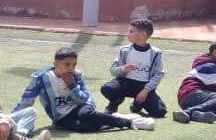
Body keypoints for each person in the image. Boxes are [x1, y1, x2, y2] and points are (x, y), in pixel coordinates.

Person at [14, 46, 154, 132]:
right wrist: (12, 120)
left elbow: (83, 99)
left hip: (82, 106)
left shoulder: (76, 75)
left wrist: (72, 86)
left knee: (86, 114)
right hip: (62, 117)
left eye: (74, 64)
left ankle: (129, 123)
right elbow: (26, 100)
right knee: (86, 127)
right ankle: (113, 117)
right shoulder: (41, 78)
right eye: (67, 64)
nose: (71, 68)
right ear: (55, 63)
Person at [101, 18, 166, 118]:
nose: (128, 34)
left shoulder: (156, 53)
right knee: (107, 88)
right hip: (125, 83)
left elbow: (159, 74)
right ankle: (114, 103)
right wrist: (122, 69)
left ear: (142, 34)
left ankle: (137, 103)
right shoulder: (124, 50)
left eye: (131, 31)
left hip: (143, 86)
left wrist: (146, 91)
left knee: (160, 112)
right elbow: (113, 70)